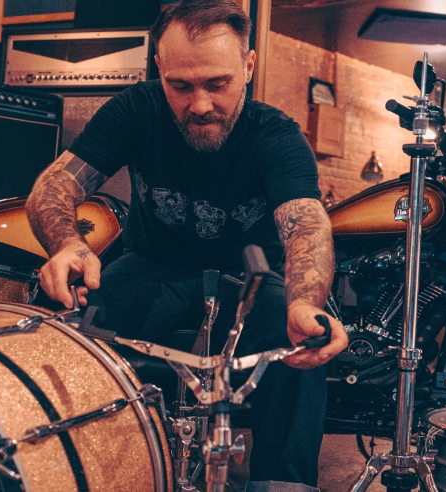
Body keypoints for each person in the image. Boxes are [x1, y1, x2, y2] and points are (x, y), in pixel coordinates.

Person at [25, 0, 348, 489]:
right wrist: (67, 244)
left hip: (250, 282)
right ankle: (76, 472)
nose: (199, 104)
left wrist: (306, 303)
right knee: (75, 334)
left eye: (217, 84)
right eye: (181, 85)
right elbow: (53, 187)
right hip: (154, 265)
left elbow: (305, 225)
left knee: (298, 347)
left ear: (248, 66)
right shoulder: (135, 110)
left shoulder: (277, 136)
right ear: (159, 67)